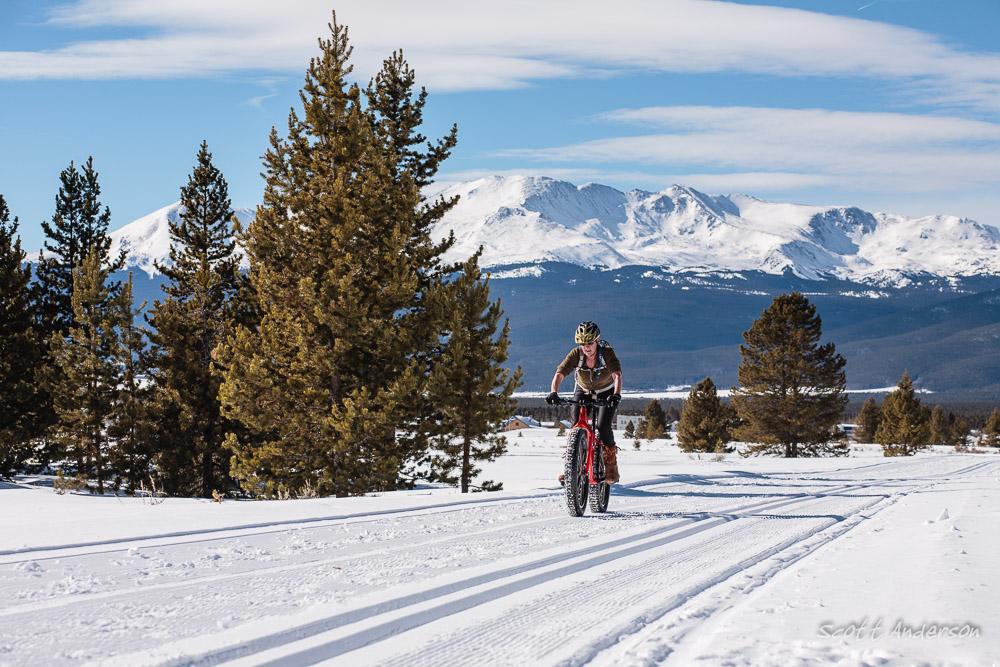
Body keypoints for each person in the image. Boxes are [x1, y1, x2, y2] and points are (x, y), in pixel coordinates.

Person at [547, 321, 623, 483]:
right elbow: (560, 373)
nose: (586, 347)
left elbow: (616, 375)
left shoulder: (606, 353)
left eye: (589, 343)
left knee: (603, 426)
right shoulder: (576, 354)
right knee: (577, 424)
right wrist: (554, 392)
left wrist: (616, 394)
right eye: (582, 343)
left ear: (597, 340)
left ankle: (610, 465)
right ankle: (574, 465)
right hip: (583, 390)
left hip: (606, 391)